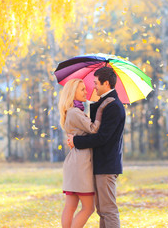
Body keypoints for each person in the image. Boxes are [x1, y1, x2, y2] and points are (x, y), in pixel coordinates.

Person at [67, 67, 126, 228]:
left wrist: (76, 141)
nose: (93, 87)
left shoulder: (113, 106)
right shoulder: (105, 104)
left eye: (96, 83)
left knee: (108, 210)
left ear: (106, 83)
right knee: (102, 210)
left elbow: (102, 137)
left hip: (107, 164)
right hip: (101, 164)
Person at [59, 78, 114, 228]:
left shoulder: (71, 112)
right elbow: (94, 129)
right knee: (88, 207)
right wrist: (101, 109)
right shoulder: (75, 112)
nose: (86, 92)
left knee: (70, 205)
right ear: (73, 92)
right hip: (81, 163)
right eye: (82, 89)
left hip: (74, 162)